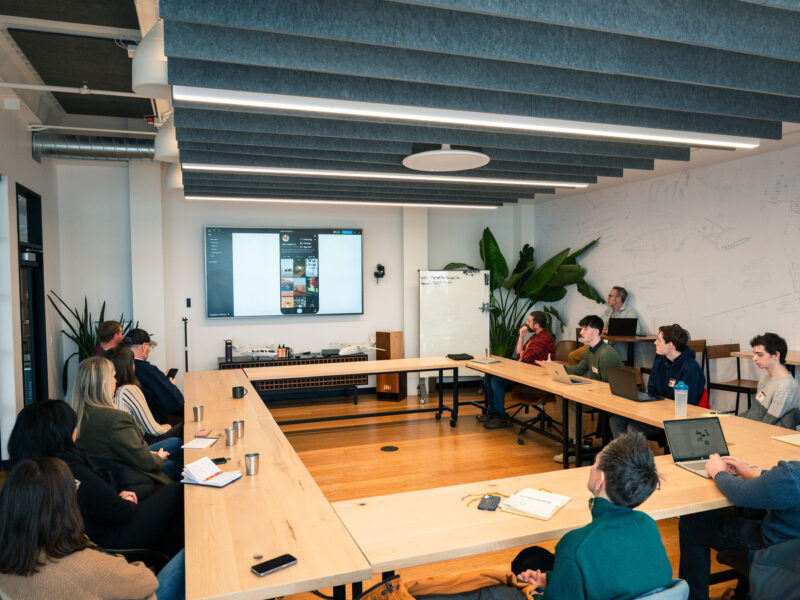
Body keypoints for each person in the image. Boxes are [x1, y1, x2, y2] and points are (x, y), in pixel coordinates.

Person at [7, 400, 184, 559]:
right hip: (110, 542)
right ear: (63, 434)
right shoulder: (70, 470)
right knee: (175, 491)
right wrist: (127, 501)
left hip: (87, 540)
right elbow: (118, 512)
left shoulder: (23, 473)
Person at [0, 456, 185, 600]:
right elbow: (146, 581)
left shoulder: (8, 563)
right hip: (136, 583)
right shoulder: (89, 568)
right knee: (187, 555)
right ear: (64, 505)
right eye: (74, 486)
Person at [514, 432, 673, 600]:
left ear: (600, 480)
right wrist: (554, 580)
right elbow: (619, 578)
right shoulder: (647, 524)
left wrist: (533, 592)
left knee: (523, 566)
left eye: (595, 462)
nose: (591, 467)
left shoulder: (575, 546)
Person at [678, 454, 800, 600]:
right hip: (793, 546)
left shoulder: (791, 477)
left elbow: (739, 492)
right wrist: (751, 473)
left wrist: (718, 472)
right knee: (751, 511)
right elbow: (781, 485)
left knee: (691, 521)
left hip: (775, 551)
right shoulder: (790, 478)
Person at [70, 356, 181, 499]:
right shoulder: (115, 419)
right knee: (181, 462)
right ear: (103, 383)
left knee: (176, 444)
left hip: (116, 469)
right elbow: (144, 461)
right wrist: (158, 458)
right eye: (113, 377)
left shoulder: (77, 415)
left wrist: (150, 454)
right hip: (132, 477)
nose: (116, 381)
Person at [538, 315, 621, 462]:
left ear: (596, 332)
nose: (581, 332)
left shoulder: (606, 354)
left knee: (569, 399)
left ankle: (574, 445)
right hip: (596, 394)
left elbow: (609, 388)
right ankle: (572, 438)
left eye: (585, 329)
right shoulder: (591, 350)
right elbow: (578, 369)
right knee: (562, 395)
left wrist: (585, 391)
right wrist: (554, 367)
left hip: (608, 399)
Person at [610, 323, 706, 438]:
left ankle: (636, 456)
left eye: (659, 340)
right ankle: (623, 455)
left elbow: (688, 404)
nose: (655, 343)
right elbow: (652, 391)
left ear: (670, 345)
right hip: (656, 412)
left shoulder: (691, 368)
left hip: (674, 418)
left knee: (634, 428)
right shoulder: (660, 362)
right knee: (616, 420)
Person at [478, 311, 555, 429]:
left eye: (529, 321)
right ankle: (493, 412)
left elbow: (526, 358)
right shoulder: (535, 336)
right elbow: (519, 354)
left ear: (537, 325)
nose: (526, 323)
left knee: (496, 381)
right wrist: (521, 337)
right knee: (489, 376)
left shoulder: (544, 338)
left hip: (534, 376)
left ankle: (501, 418)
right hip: (524, 370)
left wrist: (524, 355)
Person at [105, 345, 182, 444]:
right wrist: (165, 428)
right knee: (185, 427)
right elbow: (153, 430)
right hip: (142, 445)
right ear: (128, 366)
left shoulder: (112, 390)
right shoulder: (128, 390)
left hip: (131, 445)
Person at [568, 286, 642, 365]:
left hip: (615, 350)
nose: (607, 298)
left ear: (618, 299)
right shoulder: (609, 310)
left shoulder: (629, 312)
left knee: (598, 364)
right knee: (572, 356)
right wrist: (600, 329)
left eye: (610, 296)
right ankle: (577, 377)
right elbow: (598, 325)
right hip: (599, 345)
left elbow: (636, 331)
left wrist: (610, 330)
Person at [124, 328, 184, 423]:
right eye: (150, 346)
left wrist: (161, 379)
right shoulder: (149, 371)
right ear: (144, 346)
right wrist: (170, 385)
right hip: (157, 422)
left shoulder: (119, 368)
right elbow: (175, 404)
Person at [741, 332, 800, 428]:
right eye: (754, 354)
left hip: (769, 435)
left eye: (760, 355)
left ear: (776, 355)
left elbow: (767, 424)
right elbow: (754, 413)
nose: (754, 358)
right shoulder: (766, 378)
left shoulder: (785, 388)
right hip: (755, 427)